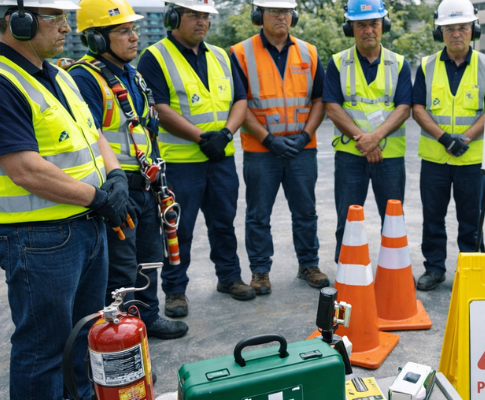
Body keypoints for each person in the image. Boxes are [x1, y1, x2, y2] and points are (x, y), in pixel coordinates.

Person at [0, 0, 130, 396]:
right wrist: (98, 198)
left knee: (84, 335)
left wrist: (116, 175)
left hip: (84, 225)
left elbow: (94, 133)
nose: (67, 28)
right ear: (17, 21)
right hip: (39, 240)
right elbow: (25, 170)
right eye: (55, 18)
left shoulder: (58, 75)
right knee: (44, 350)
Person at [68, 0, 189, 339]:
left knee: (149, 258)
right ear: (97, 39)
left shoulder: (131, 75)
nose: (134, 37)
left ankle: (147, 318)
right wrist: (114, 185)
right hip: (116, 189)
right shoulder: (84, 78)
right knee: (121, 266)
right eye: (123, 31)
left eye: (134, 29)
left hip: (146, 186)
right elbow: (89, 136)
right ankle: (119, 330)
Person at [138, 0, 251, 310]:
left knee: (223, 223)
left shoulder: (221, 56)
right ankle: (175, 290)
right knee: (178, 228)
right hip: (180, 163)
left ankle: (229, 277)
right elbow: (158, 107)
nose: (202, 22)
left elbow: (241, 100)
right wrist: (201, 137)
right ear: (173, 16)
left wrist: (226, 134)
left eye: (206, 16)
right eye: (194, 15)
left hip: (220, 159)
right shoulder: (154, 57)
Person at [230, 0, 329, 294]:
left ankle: (308, 265)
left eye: (285, 11)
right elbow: (240, 103)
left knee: (306, 211)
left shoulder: (308, 51)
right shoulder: (240, 52)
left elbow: (320, 99)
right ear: (259, 15)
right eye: (273, 11)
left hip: (302, 148)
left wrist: (304, 135)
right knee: (258, 214)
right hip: (262, 150)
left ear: (293, 15)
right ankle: (260, 271)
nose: (281, 17)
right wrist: (268, 139)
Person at [323, 0, 412, 262]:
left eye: (374, 23)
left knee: (393, 222)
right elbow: (332, 107)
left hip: (390, 158)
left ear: (383, 25)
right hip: (351, 157)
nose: (368, 30)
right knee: (348, 221)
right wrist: (365, 141)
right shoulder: (338, 63)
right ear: (350, 28)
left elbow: (404, 107)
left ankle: (394, 276)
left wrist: (375, 138)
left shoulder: (399, 63)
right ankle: (347, 278)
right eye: (361, 24)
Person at [411, 0, 485, 291]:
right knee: (433, 218)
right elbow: (417, 108)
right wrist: (444, 139)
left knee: (472, 221)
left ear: (473, 30)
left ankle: (472, 270)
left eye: (462, 27)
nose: (456, 34)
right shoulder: (426, 66)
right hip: (435, 159)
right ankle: (434, 269)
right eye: (449, 28)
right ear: (439, 33)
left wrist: (465, 138)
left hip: (471, 160)